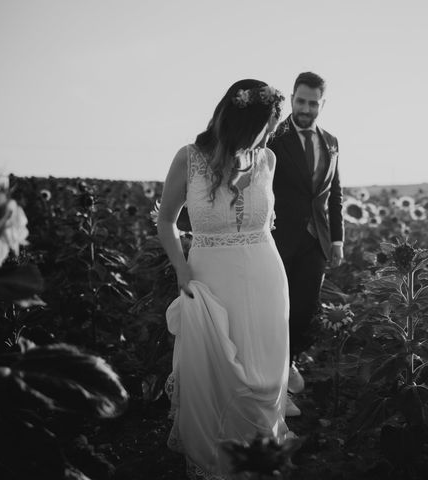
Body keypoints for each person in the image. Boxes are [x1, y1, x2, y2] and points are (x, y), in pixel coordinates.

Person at [158, 79, 290, 480]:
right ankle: (214, 460)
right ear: (244, 123)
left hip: (265, 275)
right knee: (214, 371)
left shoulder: (266, 160)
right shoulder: (190, 158)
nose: (270, 135)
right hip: (210, 277)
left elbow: (266, 221)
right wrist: (181, 268)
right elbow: (166, 221)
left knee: (263, 368)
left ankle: (258, 453)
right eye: (267, 125)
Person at [268, 72, 344, 416]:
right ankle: (273, 381)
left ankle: (288, 361)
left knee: (303, 311)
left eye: (313, 103)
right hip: (277, 238)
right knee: (275, 310)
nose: (306, 108)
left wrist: (338, 239)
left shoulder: (331, 142)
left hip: (316, 241)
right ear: (293, 99)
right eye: (301, 101)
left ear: (321, 105)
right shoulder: (273, 137)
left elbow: (334, 195)